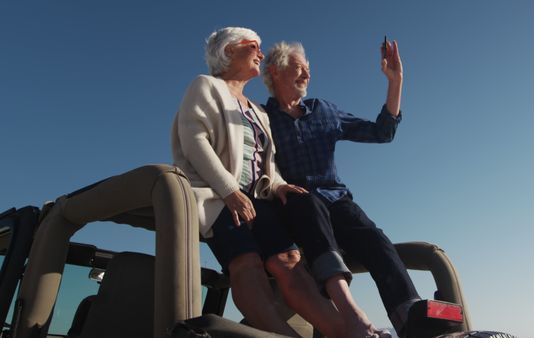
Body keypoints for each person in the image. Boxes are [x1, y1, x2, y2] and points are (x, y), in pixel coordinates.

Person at [171, 27, 378, 338]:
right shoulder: (206, 86)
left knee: (290, 261)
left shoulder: (259, 111)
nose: (261, 53)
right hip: (217, 196)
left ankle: (344, 333)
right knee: (247, 263)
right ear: (228, 52)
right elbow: (194, 141)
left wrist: (279, 185)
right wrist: (229, 191)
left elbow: (268, 163)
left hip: (257, 199)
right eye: (253, 46)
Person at [262, 40, 422, 337]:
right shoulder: (262, 119)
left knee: (376, 239)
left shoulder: (324, 111)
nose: (307, 75)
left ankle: (412, 320)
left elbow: (381, 132)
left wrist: (395, 81)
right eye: (299, 68)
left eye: (308, 69)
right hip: (296, 209)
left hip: (337, 201)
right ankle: (351, 318)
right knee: (307, 206)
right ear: (275, 71)